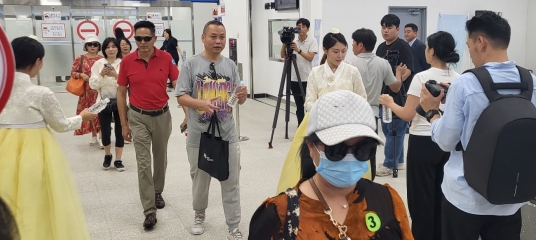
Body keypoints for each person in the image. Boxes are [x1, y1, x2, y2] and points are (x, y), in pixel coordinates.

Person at [419, 11, 536, 240]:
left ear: (480, 42)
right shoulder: (529, 81)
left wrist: (432, 112)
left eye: (469, 45)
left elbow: (447, 141)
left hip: (466, 198)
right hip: (509, 197)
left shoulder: (466, 82)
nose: (470, 52)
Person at [250, 90, 414, 240]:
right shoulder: (278, 216)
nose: (350, 158)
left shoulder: (388, 201)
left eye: (362, 149)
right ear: (311, 147)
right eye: (337, 149)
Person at [0, 36, 96, 239]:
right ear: (38, 62)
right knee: (36, 199)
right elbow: (60, 125)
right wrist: (82, 117)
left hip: (2, 145)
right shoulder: (40, 92)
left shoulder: (1, 89)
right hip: (34, 150)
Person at [380, 31, 460, 239]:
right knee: (443, 196)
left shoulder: (422, 78)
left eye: (427, 48)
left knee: (421, 200)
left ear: (432, 51)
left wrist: (390, 103)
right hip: (448, 142)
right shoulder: (459, 79)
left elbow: (407, 115)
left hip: (422, 142)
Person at [176, 20, 247, 239]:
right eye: (213, 36)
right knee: (200, 178)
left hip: (227, 133)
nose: (218, 41)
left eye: (222, 37)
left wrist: (242, 96)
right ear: (203, 38)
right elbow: (181, 95)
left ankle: (233, 224)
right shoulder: (191, 65)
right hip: (199, 134)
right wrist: (201, 104)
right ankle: (199, 214)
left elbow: (237, 99)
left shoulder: (230, 66)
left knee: (231, 180)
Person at [275, 29, 368, 194]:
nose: (340, 55)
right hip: (320, 124)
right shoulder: (315, 72)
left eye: (343, 51)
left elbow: (362, 99)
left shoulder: (352, 71)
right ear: (325, 50)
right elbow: (308, 103)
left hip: (346, 126)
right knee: (316, 165)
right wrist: (326, 107)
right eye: (335, 51)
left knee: (347, 165)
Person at [117, 20, 180, 230]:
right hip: (138, 116)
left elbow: (178, 85)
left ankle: (157, 191)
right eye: (138, 39)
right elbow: (121, 92)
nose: (142, 42)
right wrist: (124, 124)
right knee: (143, 163)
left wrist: (189, 113)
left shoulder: (166, 57)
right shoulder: (127, 61)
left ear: (155, 38)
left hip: (162, 115)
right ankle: (149, 210)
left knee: (160, 158)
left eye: (146, 38)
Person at [344, 28, 405, 184]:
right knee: (370, 150)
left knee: (350, 150)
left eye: (353, 43)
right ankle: (369, 180)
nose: (352, 47)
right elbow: (395, 87)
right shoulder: (383, 63)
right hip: (372, 114)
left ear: (361, 45)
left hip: (352, 113)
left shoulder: (350, 64)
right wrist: (398, 73)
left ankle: (351, 180)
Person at [375, 14, 413, 177]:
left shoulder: (404, 47)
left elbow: (408, 70)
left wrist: (394, 83)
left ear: (397, 29)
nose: (385, 30)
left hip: (399, 95)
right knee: (389, 128)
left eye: (389, 27)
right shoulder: (380, 47)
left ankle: (389, 164)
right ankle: (400, 160)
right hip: (384, 94)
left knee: (394, 130)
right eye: (383, 27)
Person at [90, 37, 125, 171]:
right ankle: (107, 155)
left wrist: (116, 76)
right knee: (105, 130)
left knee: (120, 130)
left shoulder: (123, 63)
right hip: (102, 101)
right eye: (108, 47)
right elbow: (92, 85)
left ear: (118, 48)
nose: (111, 49)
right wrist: (101, 75)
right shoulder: (98, 64)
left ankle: (118, 159)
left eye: (114, 46)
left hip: (120, 101)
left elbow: (127, 83)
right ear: (104, 49)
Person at [279, 18, 319, 126]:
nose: (301, 28)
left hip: (307, 78)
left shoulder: (312, 41)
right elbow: (282, 55)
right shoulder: (293, 40)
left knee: (308, 104)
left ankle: (309, 126)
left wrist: (298, 50)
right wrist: (285, 42)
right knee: (299, 105)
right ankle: (300, 126)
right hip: (293, 78)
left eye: (303, 26)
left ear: (308, 29)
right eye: (298, 26)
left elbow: (310, 58)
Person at [71, 34, 102, 145]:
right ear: (86, 46)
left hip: (98, 90)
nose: (92, 46)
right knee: (90, 113)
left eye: (95, 44)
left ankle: (101, 136)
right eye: (90, 44)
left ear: (99, 46)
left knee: (100, 112)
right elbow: (73, 72)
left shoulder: (102, 59)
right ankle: (94, 135)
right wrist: (80, 75)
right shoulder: (81, 58)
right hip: (86, 92)